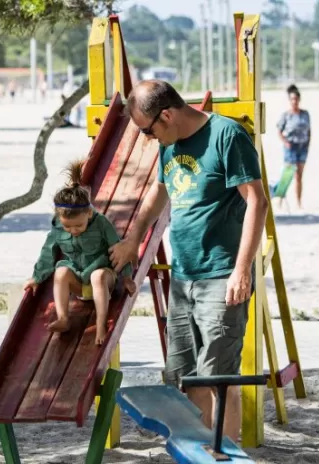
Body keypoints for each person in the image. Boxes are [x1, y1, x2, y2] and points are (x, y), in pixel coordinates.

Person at [108, 79, 268, 442]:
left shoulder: (226, 136)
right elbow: (159, 193)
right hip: (183, 277)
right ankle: (198, 449)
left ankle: (223, 454)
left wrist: (242, 270)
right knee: (186, 375)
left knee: (219, 376)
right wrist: (134, 240)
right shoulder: (169, 144)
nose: (148, 139)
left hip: (221, 275)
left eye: (148, 131)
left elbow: (257, 200)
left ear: (166, 114)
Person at [24, 160, 137, 345]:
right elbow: (47, 254)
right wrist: (36, 278)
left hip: (102, 279)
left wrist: (126, 277)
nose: (73, 230)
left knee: (98, 276)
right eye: (68, 226)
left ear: (89, 214)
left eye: (79, 225)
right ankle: (63, 318)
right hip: (78, 280)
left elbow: (118, 249)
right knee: (60, 272)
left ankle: (101, 326)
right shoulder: (58, 228)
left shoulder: (100, 223)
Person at [276, 84, 311, 210]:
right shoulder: (286, 115)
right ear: (290, 101)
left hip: (302, 147)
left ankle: (299, 202)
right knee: (287, 175)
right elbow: (279, 130)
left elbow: (309, 130)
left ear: (299, 100)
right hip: (290, 147)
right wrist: (285, 142)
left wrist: (308, 144)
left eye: (296, 99)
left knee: (299, 176)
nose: (294, 102)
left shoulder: (305, 114)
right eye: (292, 99)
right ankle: (280, 199)